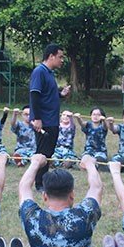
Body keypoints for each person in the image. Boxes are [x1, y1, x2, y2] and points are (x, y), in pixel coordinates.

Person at [29, 43, 72, 191]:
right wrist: (37, 118)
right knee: (42, 153)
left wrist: (61, 94)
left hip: (53, 120)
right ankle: (39, 184)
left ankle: (43, 182)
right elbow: (35, 95)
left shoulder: (50, 73)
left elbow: (47, 95)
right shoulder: (39, 71)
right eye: (60, 57)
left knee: (48, 153)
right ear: (51, 56)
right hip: (44, 121)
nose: (62, 60)